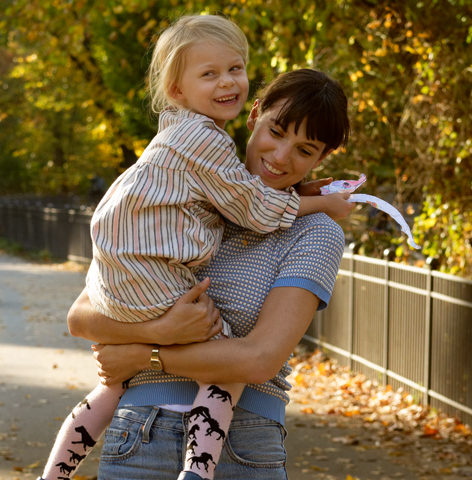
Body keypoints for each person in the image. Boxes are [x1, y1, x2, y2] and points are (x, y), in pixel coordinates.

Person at [37, 14, 351, 480]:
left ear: (323, 159)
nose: (282, 156)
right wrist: (167, 329)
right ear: (254, 116)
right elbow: (81, 317)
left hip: (243, 448)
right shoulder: (193, 198)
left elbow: (259, 360)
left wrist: (144, 354)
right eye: (276, 132)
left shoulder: (316, 232)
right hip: (134, 437)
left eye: (305, 150)